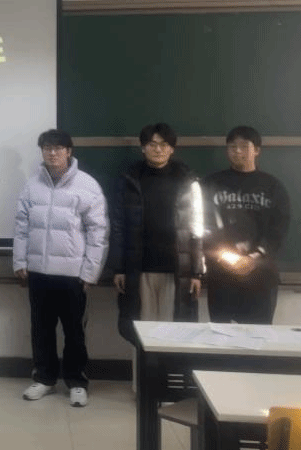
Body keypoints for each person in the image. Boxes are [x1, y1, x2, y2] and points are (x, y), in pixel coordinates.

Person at [13, 129, 108, 407]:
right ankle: (44, 378)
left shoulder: (87, 186)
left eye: (57, 148)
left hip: (73, 275)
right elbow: (21, 228)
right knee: (41, 329)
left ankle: (77, 382)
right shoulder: (32, 186)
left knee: (74, 332)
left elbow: (98, 233)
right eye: (47, 148)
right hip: (39, 272)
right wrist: (20, 261)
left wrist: (90, 272)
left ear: (69, 151)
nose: (52, 153)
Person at [111, 123, 203, 344]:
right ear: (143, 148)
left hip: (176, 269)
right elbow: (118, 226)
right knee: (142, 332)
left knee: (174, 333)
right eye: (152, 144)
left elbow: (197, 225)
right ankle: (145, 368)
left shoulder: (188, 181)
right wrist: (119, 268)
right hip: (139, 269)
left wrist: (196, 272)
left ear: (172, 149)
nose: (158, 149)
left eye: (164, 144)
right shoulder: (129, 180)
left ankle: (168, 368)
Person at [202, 126, 290, 324]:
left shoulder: (273, 186)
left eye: (244, 146)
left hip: (261, 276)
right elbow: (204, 225)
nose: (238, 151)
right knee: (222, 335)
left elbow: (279, 229)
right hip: (221, 275)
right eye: (232, 147)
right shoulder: (211, 184)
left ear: (256, 150)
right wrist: (225, 257)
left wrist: (255, 257)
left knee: (257, 336)